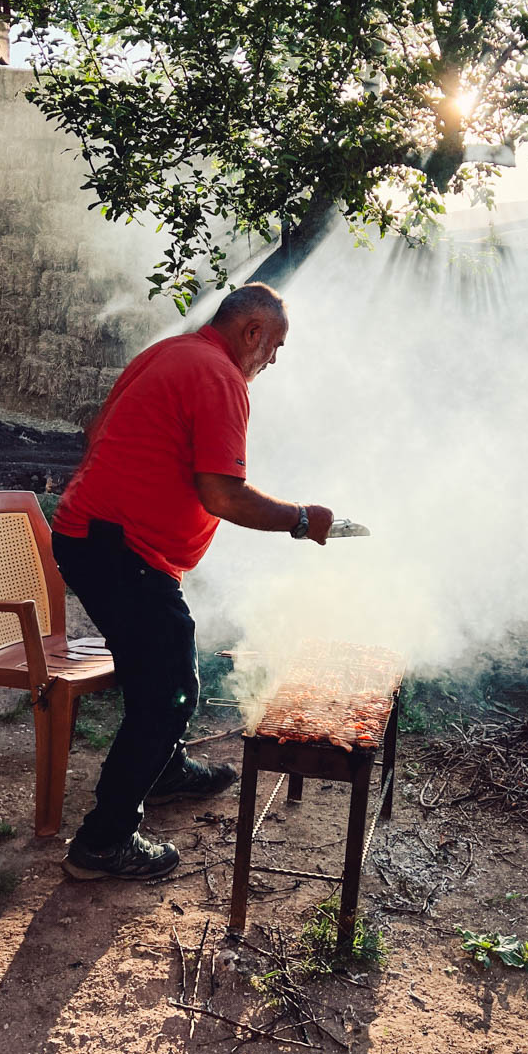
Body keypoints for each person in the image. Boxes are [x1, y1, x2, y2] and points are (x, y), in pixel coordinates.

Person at [51, 282, 333, 881]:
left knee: (156, 665)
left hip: (99, 538)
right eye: (275, 346)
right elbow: (222, 493)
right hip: (116, 547)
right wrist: (302, 520)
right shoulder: (220, 376)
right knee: (169, 685)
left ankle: (166, 767)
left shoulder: (172, 352)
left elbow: (99, 429)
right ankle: (102, 844)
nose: (274, 361)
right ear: (251, 332)